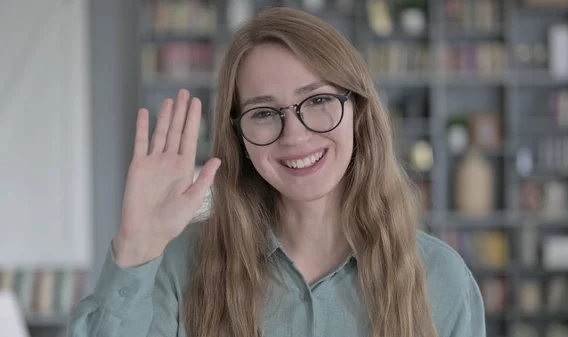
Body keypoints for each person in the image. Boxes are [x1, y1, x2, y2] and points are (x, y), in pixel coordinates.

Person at [67, 6, 485, 337]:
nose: (295, 135)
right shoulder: (180, 267)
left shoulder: (441, 278)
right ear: (239, 139)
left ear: (357, 110)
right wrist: (137, 248)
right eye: (264, 112)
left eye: (318, 101)